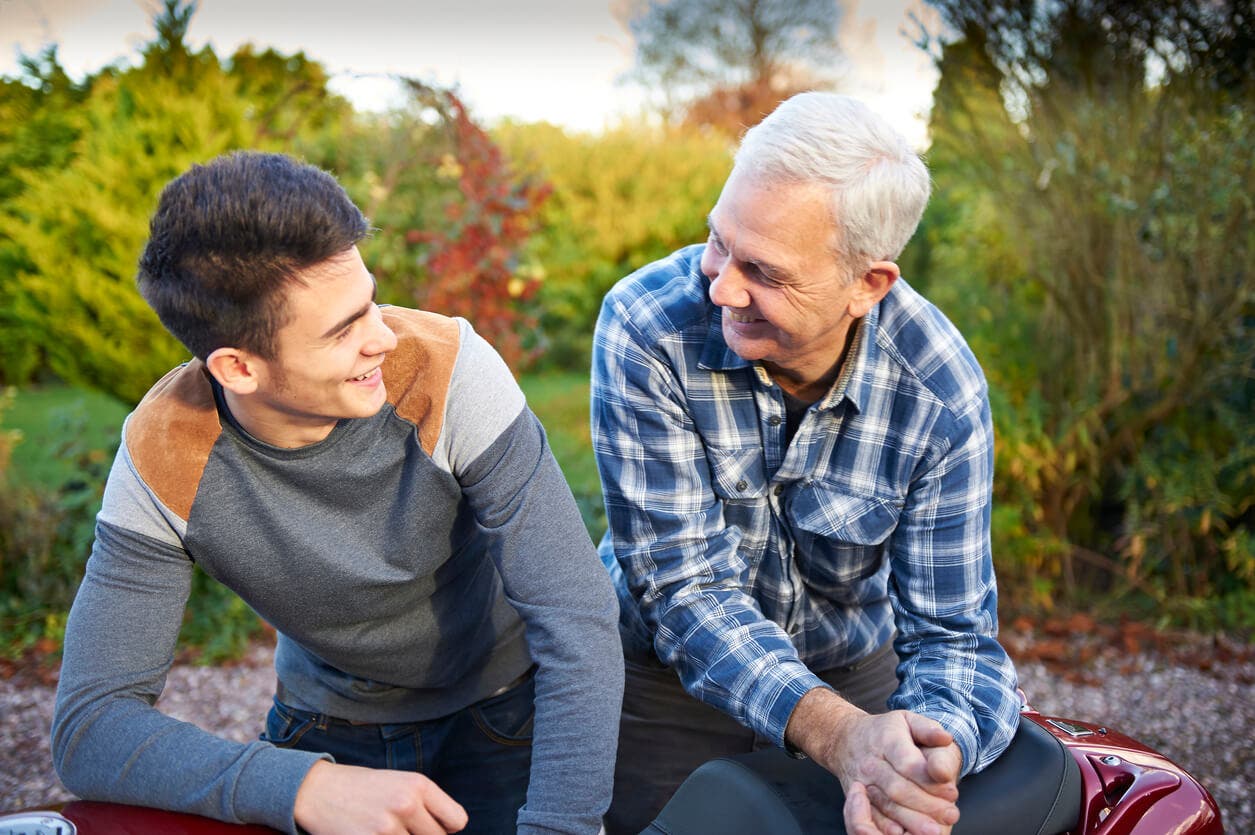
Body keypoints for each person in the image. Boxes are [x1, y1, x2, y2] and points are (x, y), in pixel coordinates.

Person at [51, 151, 623, 835]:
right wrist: (301, 784)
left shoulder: (448, 371)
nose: (382, 337)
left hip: (506, 713)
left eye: (369, 302)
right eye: (342, 329)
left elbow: (578, 618)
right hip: (324, 724)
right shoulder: (166, 451)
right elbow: (91, 724)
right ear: (238, 367)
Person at [591, 92, 1021, 835]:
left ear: (868, 283)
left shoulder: (939, 392)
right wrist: (840, 736)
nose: (721, 285)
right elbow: (682, 585)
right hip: (658, 683)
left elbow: (952, 635)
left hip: (851, 670)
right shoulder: (646, 326)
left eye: (763, 270)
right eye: (718, 240)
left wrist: (924, 753)